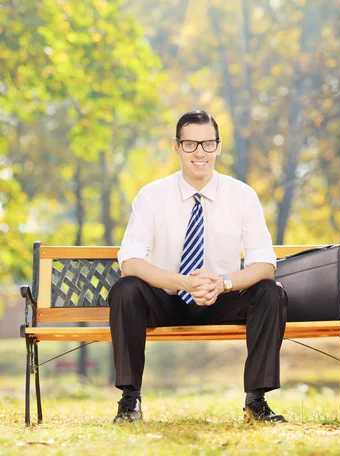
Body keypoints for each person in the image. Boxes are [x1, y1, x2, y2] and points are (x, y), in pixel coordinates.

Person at [108, 110, 288, 424]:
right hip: (166, 299)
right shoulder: (152, 196)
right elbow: (131, 261)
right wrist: (183, 283)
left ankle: (256, 402)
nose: (200, 152)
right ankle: (129, 401)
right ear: (176, 148)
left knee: (271, 292)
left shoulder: (242, 196)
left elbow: (265, 263)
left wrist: (224, 283)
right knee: (125, 290)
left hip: (223, 298)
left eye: (207, 144)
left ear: (218, 147)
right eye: (190, 144)